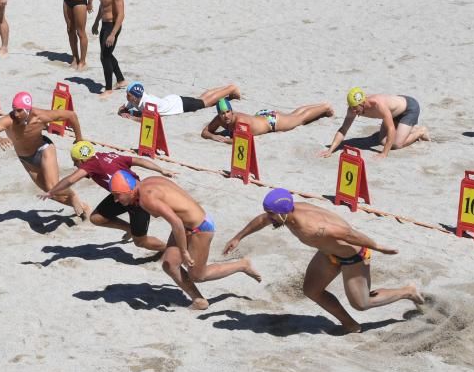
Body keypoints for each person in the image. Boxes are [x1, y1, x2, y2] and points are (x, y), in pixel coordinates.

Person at [224, 189, 423, 333]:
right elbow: (261, 220)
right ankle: (350, 325)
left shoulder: (312, 227)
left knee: (362, 304)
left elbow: (347, 233)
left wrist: (377, 246)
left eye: (271, 215)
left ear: (283, 213)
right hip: (328, 254)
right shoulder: (285, 212)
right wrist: (238, 237)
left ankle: (407, 291)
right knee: (311, 290)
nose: (268, 218)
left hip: (353, 257)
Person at [112, 172, 261, 309]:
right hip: (186, 225)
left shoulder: (147, 198)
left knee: (198, 275)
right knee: (169, 265)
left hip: (200, 228)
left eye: (118, 195)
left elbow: (175, 222)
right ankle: (199, 300)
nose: (116, 200)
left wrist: (184, 251)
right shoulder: (149, 181)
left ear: (129, 190)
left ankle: (242, 265)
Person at [43, 142, 174, 251]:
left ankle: (169, 250)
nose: (74, 165)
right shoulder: (109, 155)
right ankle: (129, 228)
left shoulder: (90, 164)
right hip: (120, 196)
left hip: (137, 200)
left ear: (82, 160)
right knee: (96, 218)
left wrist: (52, 191)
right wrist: (161, 170)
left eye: (75, 162)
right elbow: (139, 161)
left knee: (140, 241)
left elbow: (71, 180)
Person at [0, 92, 89, 218]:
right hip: (26, 159)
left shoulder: (41, 116)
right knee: (50, 193)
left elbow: (71, 115)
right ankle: (83, 207)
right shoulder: (8, 120)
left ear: (28, 109)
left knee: (52, 186)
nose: (16, 114)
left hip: (44, 149)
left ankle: (73, 195)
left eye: (19, 111)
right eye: (14, 110)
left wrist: (79, 138)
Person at [320, 88, 430, 158]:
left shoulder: (378, 105)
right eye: (351, 107)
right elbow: (343, 129)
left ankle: (420, 132)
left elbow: (391, 128)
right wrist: (330, 150)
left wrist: (384, 153)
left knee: (395, 144)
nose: (353, 111)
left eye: (355, 108)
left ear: (363, 103)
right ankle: (407, 129)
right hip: (393, 112)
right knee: (383, 141)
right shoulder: (352, 109)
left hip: (409, 109)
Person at [202, 97, 334, 143]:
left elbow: (242, 140)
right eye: (223, 113)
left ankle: (324, 107)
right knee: (293, 115)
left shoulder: (240, 121)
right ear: (218, 114)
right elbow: (205, 131)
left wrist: (224, 139)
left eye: (228, 112)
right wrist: (214, 137)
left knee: (300, 119)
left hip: (271, 121)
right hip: (261, 115)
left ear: (232, 111)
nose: (226, 116)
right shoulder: (219, 120)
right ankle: (321, 106)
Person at [90, 0, 125, 96]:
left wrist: (112, 34)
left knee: (104, 57)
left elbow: (121, 15)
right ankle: (121, 80)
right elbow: (102, 6)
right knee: (107, 54)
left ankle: (109, 88)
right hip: (104, 25)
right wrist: (96, 22)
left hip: (112, 26)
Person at [118, 81, 241, 120]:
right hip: (171, 100)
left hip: (178, 105)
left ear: (134, 96)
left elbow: (149, 119)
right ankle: (228, 88)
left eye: (128, 95)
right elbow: (124, 108)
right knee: (201, 99)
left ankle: (231, 88)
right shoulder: (134, 99)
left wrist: (131, 116)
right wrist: (125, 110)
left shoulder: (147, 103)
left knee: (205, 103)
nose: (126, 97)